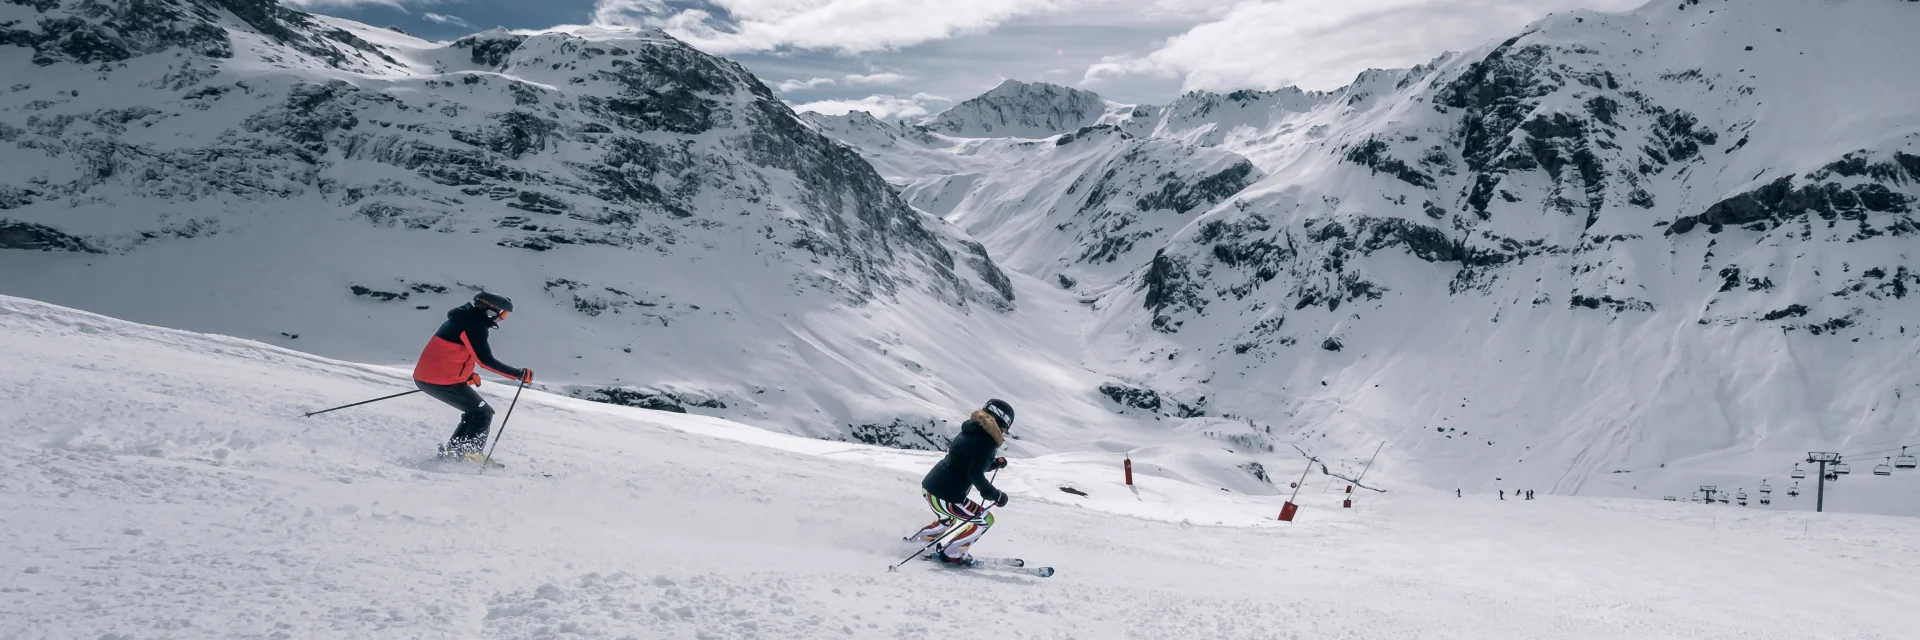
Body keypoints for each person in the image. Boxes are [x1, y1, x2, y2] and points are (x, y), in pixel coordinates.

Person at [412, 292, 532, 461]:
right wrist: (519, 374)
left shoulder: (462, 319)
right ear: (491, 311)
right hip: (440, 381)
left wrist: (466, 374)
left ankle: (455, 453)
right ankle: (469, 456)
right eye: (503, 314)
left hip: (431, 378)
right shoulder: (473, 326)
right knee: (483, 413)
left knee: (474, 412)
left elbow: (453, 352)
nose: (502, 319)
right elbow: (485, 361)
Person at [905, 399, 1014, 565]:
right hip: (948, 496)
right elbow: (974, 473)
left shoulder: (972, 429)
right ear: (1001, 422)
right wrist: (996, 495)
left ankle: (918, 542)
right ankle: (953, 553)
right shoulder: (987, 443)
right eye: (1005, 428)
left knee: (947, 519)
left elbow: (967, 461)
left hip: (930, 486)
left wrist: (993, 464)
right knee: (985, 520)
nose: (1004, 433)